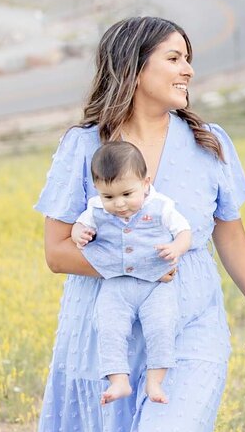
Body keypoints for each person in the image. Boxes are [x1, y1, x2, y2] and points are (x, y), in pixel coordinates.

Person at [25, 16, 245, 432]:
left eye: (188, 57)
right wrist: (132, 262)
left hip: (191, 324)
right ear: (135, 66)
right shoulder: (84, 146)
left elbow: (230, 235)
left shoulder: (208, 142)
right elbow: (56, 251)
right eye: (173, 57)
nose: (187, 68)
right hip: (107, 333)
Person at [70, 140, 192, 406]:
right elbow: (79, 226)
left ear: (145, 183)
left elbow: (184, 232)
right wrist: (80, 233)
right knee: (108, 326)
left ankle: (155, 380)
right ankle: (118, 380)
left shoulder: (161, 206)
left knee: (162, 325)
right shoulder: (96, 208)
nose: (119, 204)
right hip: (116, 286)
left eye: (127, 194)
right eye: (109, 196)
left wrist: (176, 248)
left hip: (157, 286)